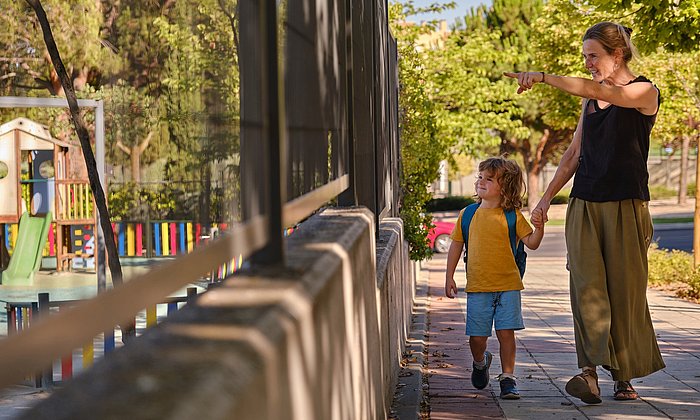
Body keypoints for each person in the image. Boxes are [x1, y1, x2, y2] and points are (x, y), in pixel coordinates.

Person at [504, 21, 665, 404]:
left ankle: (624, 375)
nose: (589, 63)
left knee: (624, 293)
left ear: (618, 54)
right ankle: (589, 373)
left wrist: (542, 77)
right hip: (585, 204)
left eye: (594, 56)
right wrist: (544, 201)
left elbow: (598, 87)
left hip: (627, 206)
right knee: (586, 290)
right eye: (585, 57)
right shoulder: (589, 103)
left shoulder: (645, 92)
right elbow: (574, 154)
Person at [445, 156, 544, 399]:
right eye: (481, 177)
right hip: (478, 287)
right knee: (477, 339)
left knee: (506, 333)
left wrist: (539, 227)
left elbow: (531, 243)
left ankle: (508, 378)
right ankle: (480, 362)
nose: (481, 182)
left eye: (489, 179)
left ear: (505, 188)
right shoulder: (468, 214)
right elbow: (456, 245)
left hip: (508, 286)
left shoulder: (512, 216)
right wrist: (449, 277)